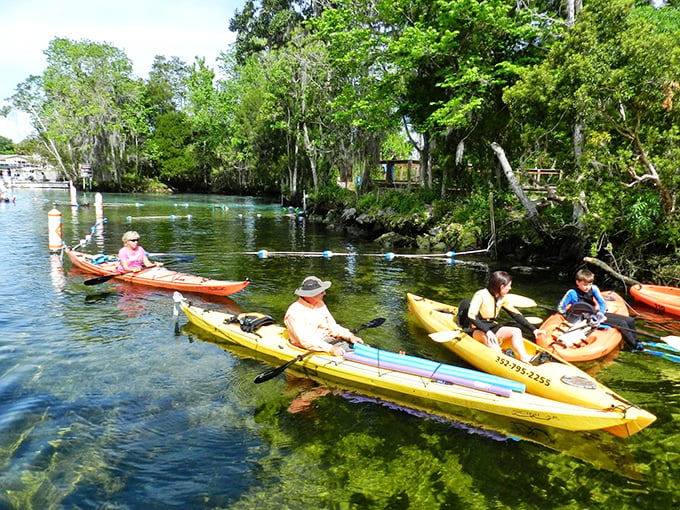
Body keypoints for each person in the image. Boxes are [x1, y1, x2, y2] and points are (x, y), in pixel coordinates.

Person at [466, 270, 545, 363]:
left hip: (491, 326)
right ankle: (502, 356)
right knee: (492, 342)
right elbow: (471, 316)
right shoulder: (480, 295)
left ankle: (524, 357)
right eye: (509, 286)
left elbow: (515, 315)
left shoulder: (502, 298)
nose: (510, 288)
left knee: (516, 331)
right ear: (501, 286)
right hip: (476, 329)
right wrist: (487, 332)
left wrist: (534, 330)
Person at [557, 269, 641, 350]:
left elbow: (602, 303)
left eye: (590, 284)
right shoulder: (572, 293)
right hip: (583, 318)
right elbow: (560, 308)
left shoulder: (593, 288)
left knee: (630, 320)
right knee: (621, 323)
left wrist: (600, 313)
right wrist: (568, 316)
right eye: (585, 285)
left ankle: (636, 341)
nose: (588, 287)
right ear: (577, 282)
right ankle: (634, 346)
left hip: (595, 315)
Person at [284, 276, 364, 357]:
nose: (325, 293)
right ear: (311, 295)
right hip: (309, 346)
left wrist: (349, 336)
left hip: (326, 341)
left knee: (362, 350)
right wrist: (331, 349)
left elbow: (332, 326)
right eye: (322, 292)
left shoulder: (319, 303)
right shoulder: (295, 312)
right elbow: (305, 340)